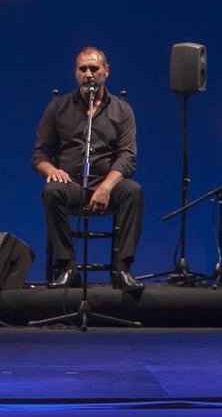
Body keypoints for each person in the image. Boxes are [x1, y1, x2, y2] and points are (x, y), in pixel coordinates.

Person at [33, 46, 144, 292]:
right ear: (75, 73)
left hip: (107, 186)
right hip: (71, 185)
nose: (88, 74)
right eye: (82, 69)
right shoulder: (58, 108)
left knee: (133, 191)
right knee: (51, 191)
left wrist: (106, 187)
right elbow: (39, 154)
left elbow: (127, 157)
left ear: (107, 71)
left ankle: (123, 268)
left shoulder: (122, 110)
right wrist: (51, 170)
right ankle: (67, 266)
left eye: (94, 69)